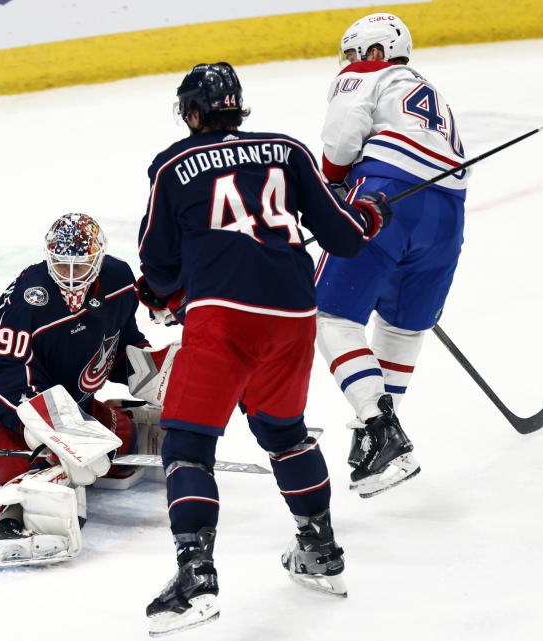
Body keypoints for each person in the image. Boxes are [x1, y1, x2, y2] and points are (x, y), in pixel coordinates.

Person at [136, 62, 393, 636]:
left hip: (223, 316)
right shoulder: (287, 149)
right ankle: (321, 552)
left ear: (194, 113)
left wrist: (159, 292)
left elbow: (157, 265)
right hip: (293, 314)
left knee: (187, 444)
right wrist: (370, 215)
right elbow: (346, 237)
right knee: (284, 432)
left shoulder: (173, 165)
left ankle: (196, 578)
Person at [315, 13, 469, 498]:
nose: (350, 63)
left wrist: (332, 190)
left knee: (329, 315)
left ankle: (381, 430)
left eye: (355, 53)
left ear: (376, 52)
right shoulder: (432, 93)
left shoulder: (365, 75)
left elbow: (341, 141)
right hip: (448, 215)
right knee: (402, 326)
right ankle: (378, 438)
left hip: (385, 198)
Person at [0, 212, 159, 569]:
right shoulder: (30, 298)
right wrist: (47, 431)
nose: (68, 277)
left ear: (99, 258)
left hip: (64, 397)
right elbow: (3, 373)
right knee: (45, 466)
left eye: (79, 267)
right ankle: (9, 520)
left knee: (120, 443)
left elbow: (119, 344)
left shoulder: (119, 280)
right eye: (60, 265)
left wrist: (151, 373)